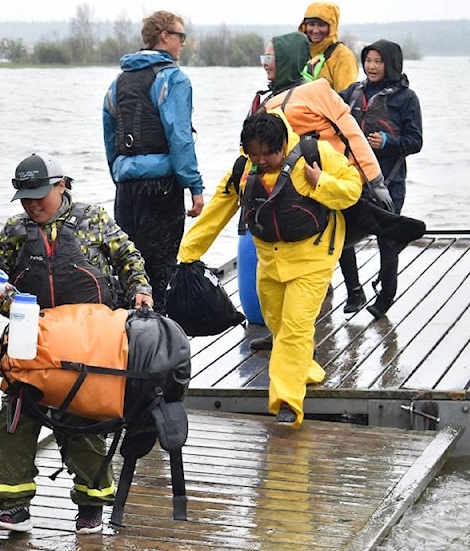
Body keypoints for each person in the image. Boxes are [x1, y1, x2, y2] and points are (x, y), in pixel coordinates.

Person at [0, 152, 152, 535]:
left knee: (84, 420)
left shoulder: (93, 220)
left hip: (87, 343)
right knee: (16, 415)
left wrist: (140, 290)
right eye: (25, 197)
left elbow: (129, 257)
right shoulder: (14, 231)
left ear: (62, 187)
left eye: (40, 195)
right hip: (34, 343)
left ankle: (91, 504)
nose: (32, 204)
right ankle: (13, 505)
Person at [179, 111, 362, 426]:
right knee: (276, 322)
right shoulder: (243, 169)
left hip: (314, 255)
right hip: (271, 259)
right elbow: (217, 211)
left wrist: (322, 183)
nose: (261, 160)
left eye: (268, 153)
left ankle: (287, 404)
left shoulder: (314, 155)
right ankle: (304, 368)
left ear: (282, 145)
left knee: (295, 327)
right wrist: (189, 254)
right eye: (254, 154)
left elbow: (352, 189)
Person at [247, 31, 393, 350]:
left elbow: (351, 132)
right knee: (280, 263)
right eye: (264, 59)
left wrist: (375, 180)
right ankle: (284, 332)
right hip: (285, 194)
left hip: (321, 188)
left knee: (315, 261)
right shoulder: (268, 99)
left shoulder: (316, 90)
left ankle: (302, 338)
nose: (266, 65)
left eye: (271, 58)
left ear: (286, 59)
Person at [102, 10, 204, 314]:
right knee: (159, 270)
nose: (182, 43)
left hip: (126, 187)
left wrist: (120, 176)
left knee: (127, 267)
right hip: (161, 187)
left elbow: (110, 140)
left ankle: (127, 341)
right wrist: (194, 187)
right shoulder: (173, 78)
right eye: (180, 36)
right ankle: (159, 345)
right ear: (164, 36)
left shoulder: (118, 83)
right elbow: (180, 137)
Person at [336, 40, 423, 318]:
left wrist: (388, 141)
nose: (372, 67)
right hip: (352, 180)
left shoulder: (407, 98)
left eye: (378, 61)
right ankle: (354, 291)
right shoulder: (353, 92)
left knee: (388, 241)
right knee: (339, 235)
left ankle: (385, 298)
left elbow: (415, 141)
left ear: (391, 64)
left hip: (390, 183)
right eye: (368, 61)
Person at [298, 2, 359, 93]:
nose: (315, 30)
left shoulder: (343, 56)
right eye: (311, 24)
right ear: (304, 26)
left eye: (321, 25)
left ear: (332, 27)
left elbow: (345, 98)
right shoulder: (300, 52)